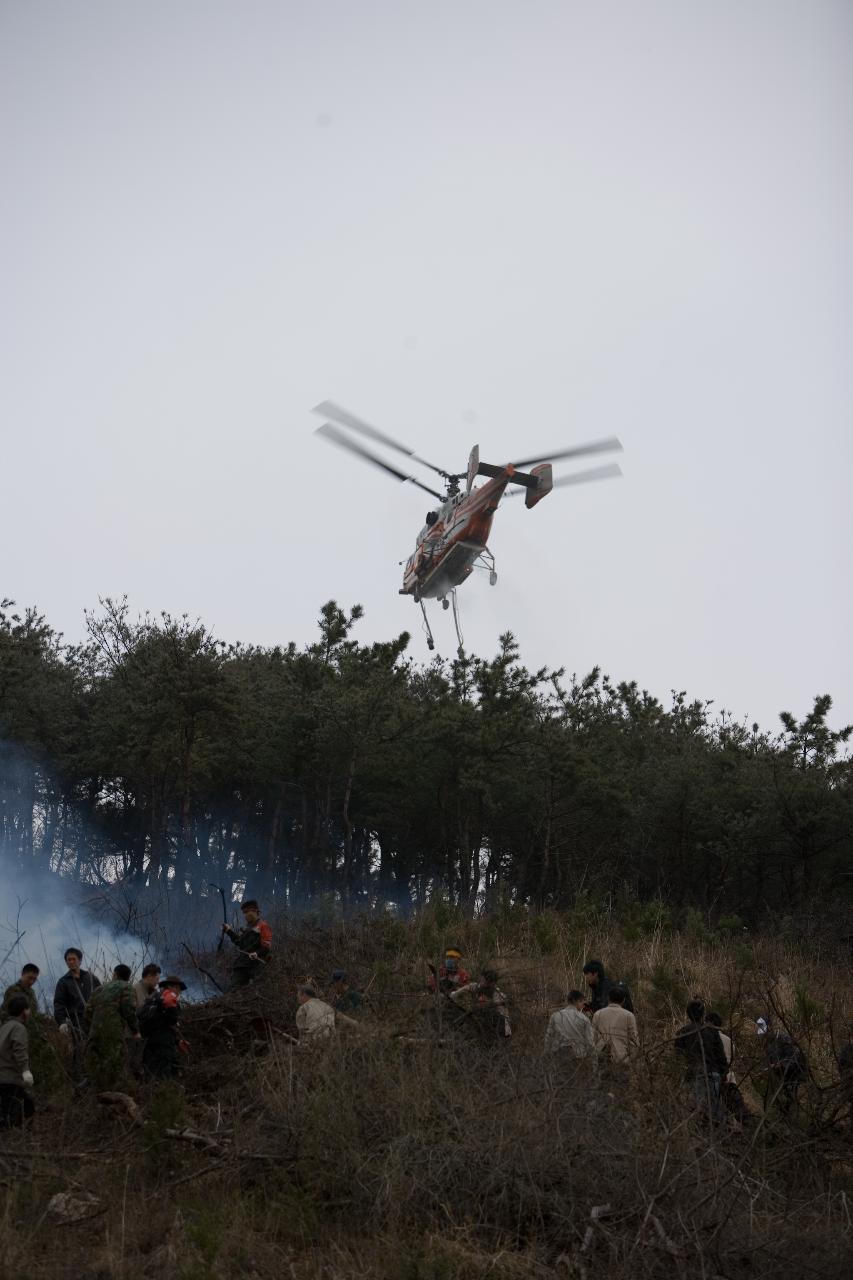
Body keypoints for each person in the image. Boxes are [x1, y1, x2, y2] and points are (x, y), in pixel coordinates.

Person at [83, 964, 141, 1090]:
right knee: (114, 1063)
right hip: (113, 1031)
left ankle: (91, 1092)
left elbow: (87, 1011)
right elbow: (128, 1010)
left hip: (95, 1031)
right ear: (128, 977)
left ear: (114, 974)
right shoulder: (127, 987)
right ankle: (111, 1092)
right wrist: (135, 1030)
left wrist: (91, 1028)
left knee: (95, 1062)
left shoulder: (100, 989)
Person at [674, 1000, 728, 1121]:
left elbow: (678, 1058)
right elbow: (721, 1056)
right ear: (703, 1014)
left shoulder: (682, 1033)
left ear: (688, 1014)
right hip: (713, 1074)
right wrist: (724, 1075)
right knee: (716, 1113)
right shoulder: (711, 1031)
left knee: (698, 1113)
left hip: (694, 1075)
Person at [705, 1010, 749, 1124]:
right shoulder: (729, 1040)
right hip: (729, 1078)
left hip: (712, 1078)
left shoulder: (706, 1039)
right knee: (739, 1111)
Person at [758, 1016, 807, 1113]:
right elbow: (770, 1060)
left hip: (794, 1072)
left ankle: (791, 1114)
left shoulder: (784, 1039)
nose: (764, 1036)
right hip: (781, 1074)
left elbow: (793, 1058)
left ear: (770, 1028)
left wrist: (779, 1065)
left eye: (766, 1033)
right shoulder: (768, 1044)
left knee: (790, 1093)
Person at [140, 976, 187, 1079]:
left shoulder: (152, 998)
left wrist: (177, 1041)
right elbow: (171, 1021)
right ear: (171, 986)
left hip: (150, 1042)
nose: (179, 992)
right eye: (178, 988)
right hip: (163, 1045)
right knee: (163, 1075)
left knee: (150, 1072)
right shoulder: (169, 996)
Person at [0, 995, 35, 1128]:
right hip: (11, 1080)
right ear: (24, 1011)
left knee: (26, 1107)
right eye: (29, 1008)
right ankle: (13, 1143)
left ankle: (18, 1139)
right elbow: (19, 1050)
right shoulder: (19, 1028)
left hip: (3, 1079)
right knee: (10, 1119)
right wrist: (26, 1071)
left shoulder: (4, 1027)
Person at [221, 899, 273, 990]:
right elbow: (240, 943)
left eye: (246, 912)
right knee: (233, 991)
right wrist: (228, 931)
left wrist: (256, 953)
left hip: (255, 967)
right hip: (242, 966)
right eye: (244, 913)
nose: (245, 915)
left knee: (255, 991)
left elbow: (266, 947)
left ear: (255, 911)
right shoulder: (248, 928)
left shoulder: (263, 926)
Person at [53, 947, 101, 1040]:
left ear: (80, 960)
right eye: (68, 960)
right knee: (81, 1049)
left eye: (74, 959)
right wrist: (62, 1022)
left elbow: (101, 995)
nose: (71, 962)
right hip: (77, 1022)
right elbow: (59, 1003)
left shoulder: (90, 978)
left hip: (95, 1020)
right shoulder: (63, 982)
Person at [450, 969, 511, 1039]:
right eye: (481, 979)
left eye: (483, 980)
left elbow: (504, 1014)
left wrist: (507, 1031)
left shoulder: (496, 994)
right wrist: (454, 994)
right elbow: (465, 988)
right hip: (476, 1017)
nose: (481, 981)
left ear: (491, 983)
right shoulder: (476, 986)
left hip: (490, 1022)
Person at [592, 987, 639, 1063]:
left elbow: (593, 1038)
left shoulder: (598, 1014)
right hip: (622, 1057)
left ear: (608, 998)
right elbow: (633, 1040)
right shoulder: (629, 1015)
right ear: (623, 1000)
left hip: (602, 1057)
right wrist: (632, 1059)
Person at [544, 989, 595, 1058]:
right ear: (575, 1001)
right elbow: (590, 1042)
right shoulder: (584, 1019)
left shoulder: (555, 1016)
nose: (583, 1006)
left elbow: (549, 1037)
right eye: (582, 1002)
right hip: (578, 1057)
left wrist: (547, 1054)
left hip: (558, 1056)